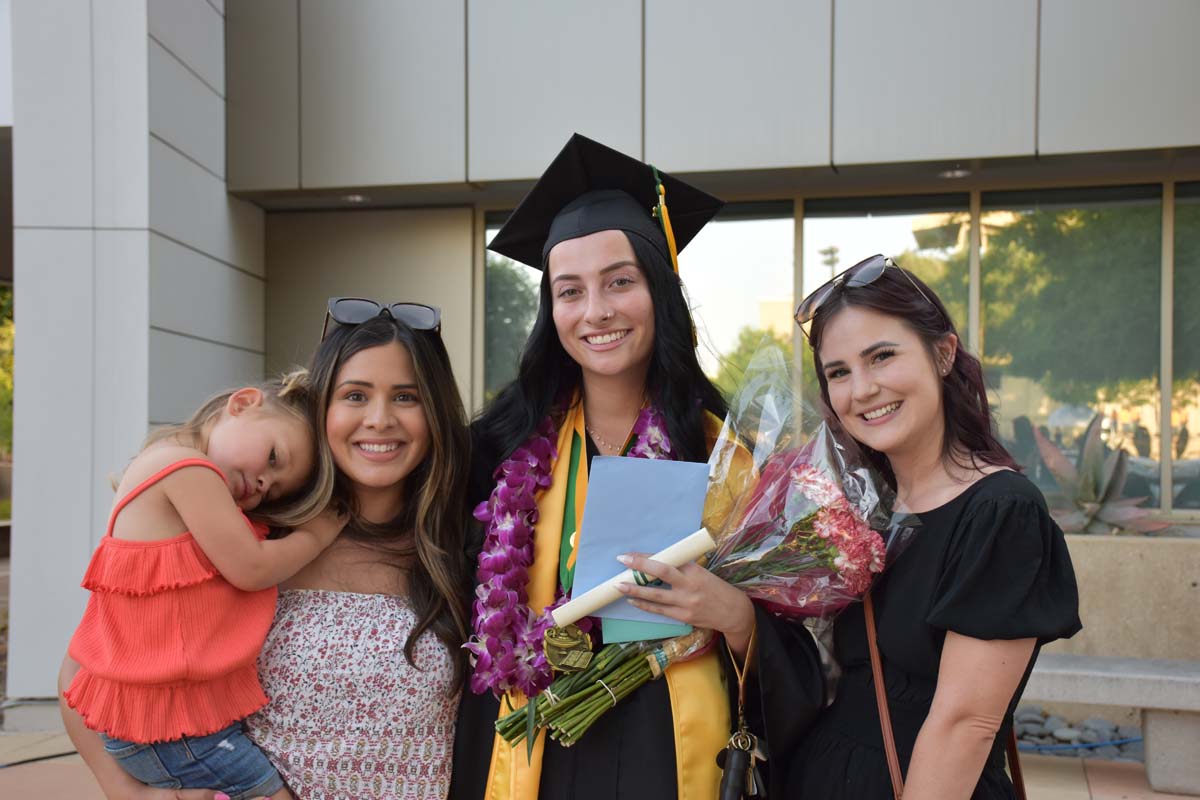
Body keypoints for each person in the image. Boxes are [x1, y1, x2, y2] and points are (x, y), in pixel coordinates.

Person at [450, 134, 824, 800]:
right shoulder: (493, 457)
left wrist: (736, 617)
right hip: (533, 758)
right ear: (551, 310)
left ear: (660, 291)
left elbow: (796, 665)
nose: (596, 311)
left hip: (670, 761)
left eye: (620, 282)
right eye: (571, 291)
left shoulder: (727, 462)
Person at [61, 301, 473, 800]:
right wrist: (131, 793)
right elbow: (87, 670)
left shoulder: (464, 540)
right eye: (355, 395)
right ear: (323, 410)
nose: (379, 419)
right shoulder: (246, 535)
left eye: (406, 396)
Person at [790, 254, 1082, 799]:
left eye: (882, 356)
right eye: (839, 372)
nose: (863, 389)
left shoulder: (1000, 512)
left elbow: (964, 726)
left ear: (943, 354)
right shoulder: (860, 508)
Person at [58, 372, 343, 800]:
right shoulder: (186, 468)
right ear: (242, 403)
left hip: (153, 730)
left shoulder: (170, 470)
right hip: (168, 732)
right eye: (273, 457)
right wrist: (317, 535)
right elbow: (251, 567)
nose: (265, 483)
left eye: (275, 489)